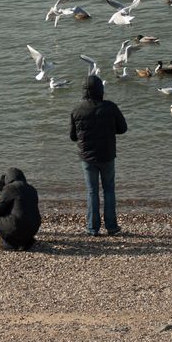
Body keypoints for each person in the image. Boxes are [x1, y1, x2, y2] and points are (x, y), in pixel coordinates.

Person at [69, 74, 128, 236]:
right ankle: (111, 226)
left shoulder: (77, 110)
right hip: (107, 155)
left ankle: (92, 228)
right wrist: (109, 129)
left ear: (84, 91)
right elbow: (123, 128)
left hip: (87, 158)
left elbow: (73, 137)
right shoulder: (110, 107)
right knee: (109, 189)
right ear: (100, 89)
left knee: (92, 191)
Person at [0, 167, 42, 251]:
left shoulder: (10, 188)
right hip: (34, 228)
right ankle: (26, 241)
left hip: (16, 227)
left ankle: (10, 243)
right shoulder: (32, 189)